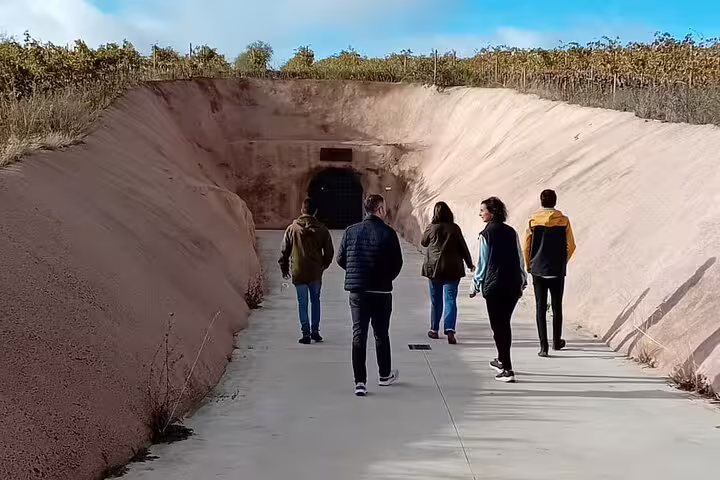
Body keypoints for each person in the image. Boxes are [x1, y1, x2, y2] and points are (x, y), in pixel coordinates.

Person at [337, 194, 403, 397]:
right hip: (381, 292)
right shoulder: (388, 233)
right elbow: (397, 263)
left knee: (359, 335)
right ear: (380, 210)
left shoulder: (350, 231)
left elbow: (340, 259)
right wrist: (384, 278)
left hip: (357, 291)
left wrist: (356, 273)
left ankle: (360, 382)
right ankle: (384, 375)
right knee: (381, 334)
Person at [470, 197, 527, 383]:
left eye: (482, 210)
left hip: (494, 286)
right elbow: (520, 257)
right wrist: (523, 278)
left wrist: (475, 284)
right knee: (503, 324)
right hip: (513, 284)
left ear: (491, 212)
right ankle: (501, 359)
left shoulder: (485, 234)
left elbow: (482, 264)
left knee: (499, 326)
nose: (480, 214)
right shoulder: (511, 232)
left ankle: (508, 369)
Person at [522, 189, 576, 357]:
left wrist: (529, 265)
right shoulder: (564, 221)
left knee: (540, 307)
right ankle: (557, 342)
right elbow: (571, 245)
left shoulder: (532, 221)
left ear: (541, 201)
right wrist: (562, 262)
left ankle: (543, 346)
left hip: (538, 269)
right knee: (557, 306)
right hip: (557, 270)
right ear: (555, 201)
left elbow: (526, 246)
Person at [279, 197, 335, 345]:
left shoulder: (292, 228)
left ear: (302, 210)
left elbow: (284, 250)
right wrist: (323, 265)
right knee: (315, 301)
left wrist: (284, 268)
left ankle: (305, 333)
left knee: (302, 303)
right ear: (315, 211)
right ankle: (315, 331)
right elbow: (329, 252)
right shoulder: (322, 229)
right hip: (315, 272)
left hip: (299, 271)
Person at [421, 201, 475, 344]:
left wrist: (429, 229)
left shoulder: (431, 228)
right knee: (450, 299)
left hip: (434, 270)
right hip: (452, 270)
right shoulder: (455, 228)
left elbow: (423, 242)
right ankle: (450, 329)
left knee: (436, 300)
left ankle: (434, 330)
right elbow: (463, 247)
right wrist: (470, 264)